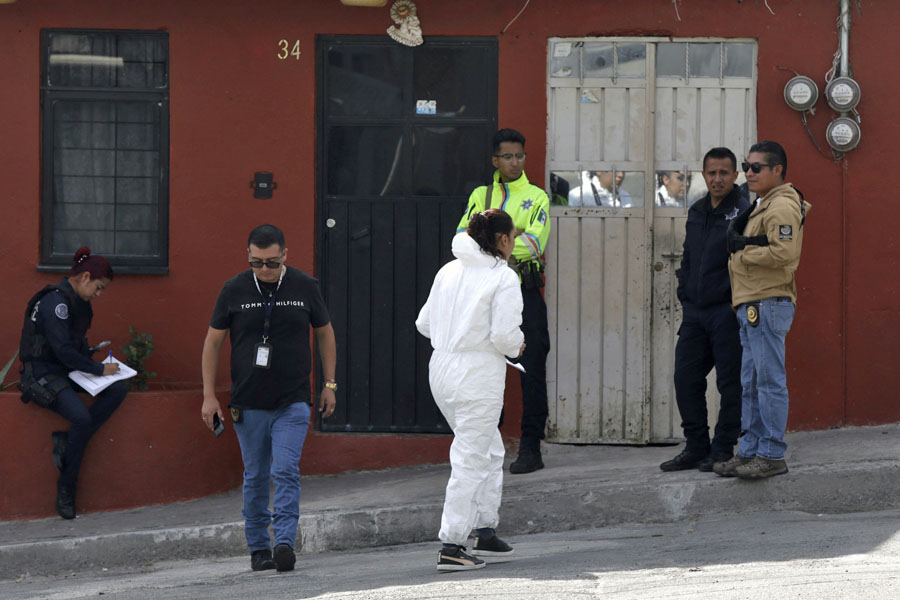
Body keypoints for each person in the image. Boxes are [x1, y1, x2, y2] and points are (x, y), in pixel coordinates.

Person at [201, 224, 337, 572]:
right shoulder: (233, 290)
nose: (264, 270)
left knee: (286, 469)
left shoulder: (305, 287)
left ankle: (284, 543)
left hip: (292, 399)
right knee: (256, 474)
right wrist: (208, 396)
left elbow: (325, 333)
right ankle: (259, 548)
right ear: (248, 257)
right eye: (257, 262)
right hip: (247, 402)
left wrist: (329, 384)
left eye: (272, 263)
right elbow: (213, 342)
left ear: (285, 256)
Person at [417, 209, 525, 572]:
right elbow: (505, 337)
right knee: (471, 456)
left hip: (442, 367)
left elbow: (424, 324)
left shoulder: (448, 270)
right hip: (477, 373)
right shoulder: (503, 277)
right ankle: (452, 544)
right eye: (513, 237)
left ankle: (484, 528)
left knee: (487, 448)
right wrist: (518, 346)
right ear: (503, 240)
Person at [714, 141, 811, 480]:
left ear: (777, 171)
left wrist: (741, 256)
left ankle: (770, 454)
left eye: (757, 167)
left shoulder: (781, 206)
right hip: (753, 301)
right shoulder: (763, 204)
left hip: (767, 302)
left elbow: (785, 255)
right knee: (752, 382)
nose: (749, 173)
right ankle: (751, 450)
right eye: (747, 166)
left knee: (768, 381)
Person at [456, 128, 551, 474]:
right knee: (482, 367)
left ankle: (530, 447)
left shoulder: (537, 197)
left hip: (524, 291)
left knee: (533, 368)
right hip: (482, 294)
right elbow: (459, 239)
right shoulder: (481, 195)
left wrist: (486, 245)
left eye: (520, 156)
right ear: (495, 160)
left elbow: (534, 244)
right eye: (507, 156)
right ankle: (484, 445)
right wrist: (508, 243)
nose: (515, 162)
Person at [18, 247, 127, 519]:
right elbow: (62, 350)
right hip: (42, 373)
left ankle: (72, 442)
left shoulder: (80, 303)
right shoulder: (56, 303)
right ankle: (66, 488)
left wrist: (91, 360)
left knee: (119, 388)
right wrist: (99, 368)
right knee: (80, 417)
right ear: (85, 277)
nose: (98, 294)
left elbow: (72, 349)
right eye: (98, 288)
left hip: (67, 370)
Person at [660, 148, 749, 473]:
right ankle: (696, 447)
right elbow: (689, 257)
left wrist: (733, 301)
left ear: (735, 175)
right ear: (704, 174)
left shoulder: (744, 211)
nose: (717, 179)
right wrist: (685, 293)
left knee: (730, 383)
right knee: (686, 378)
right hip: (696, 312)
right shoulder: (697, 210)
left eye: (724, 173)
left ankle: (723, 448)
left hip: (727, 312)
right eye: (711, 173)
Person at [568, 170, 633, 207]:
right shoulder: (578, 195)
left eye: (623, 171)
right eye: (615, 170)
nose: (621, 175)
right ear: (599, 171)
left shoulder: (625, 196)